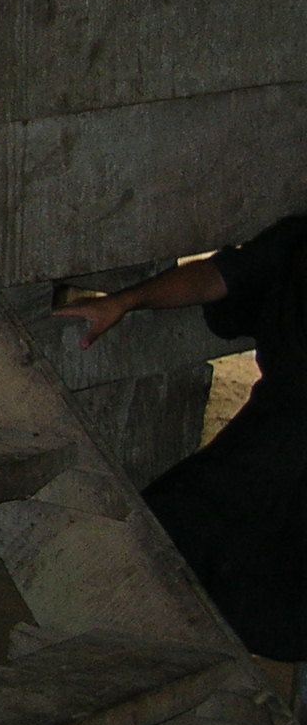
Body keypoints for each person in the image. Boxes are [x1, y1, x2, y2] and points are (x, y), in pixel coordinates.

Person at [55, 217, 307, 668]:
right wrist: (129, 300)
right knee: (163, 537)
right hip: (272, 444)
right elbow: (221, 276)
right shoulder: (299, 240)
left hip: (275, 453)